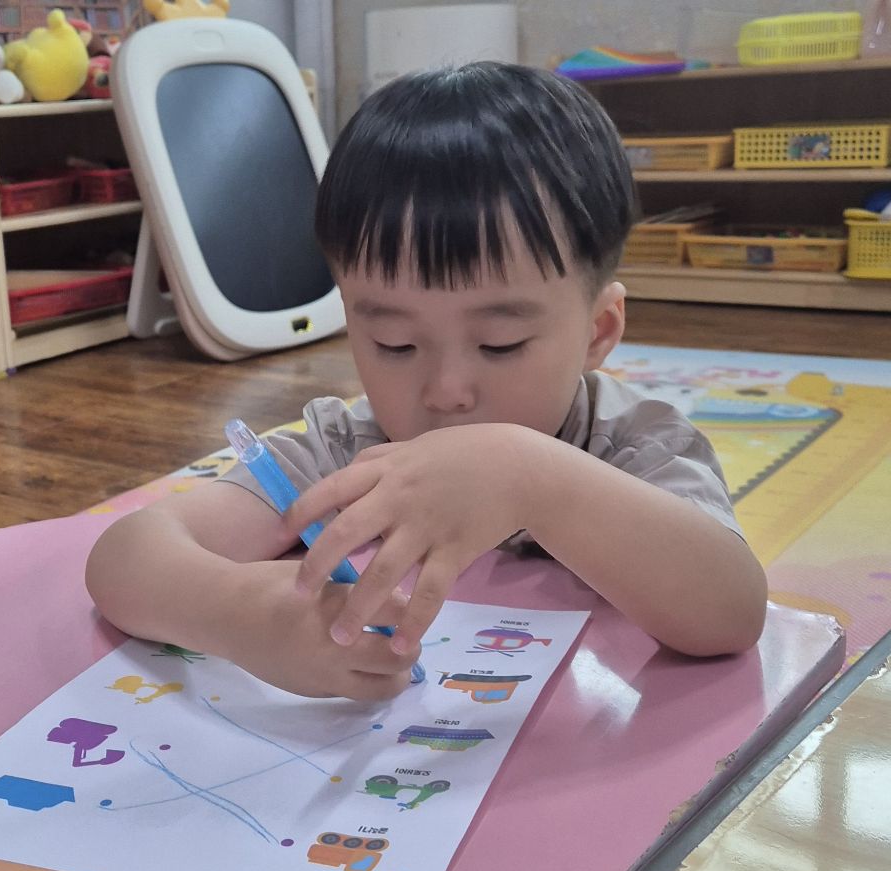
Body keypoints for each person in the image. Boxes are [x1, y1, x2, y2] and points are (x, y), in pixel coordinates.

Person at [86, 62, 768, 701]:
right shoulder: (350, 452)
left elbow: (729, 614)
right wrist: (246, 614)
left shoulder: (634, 445)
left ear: (597, 331)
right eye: (396, 343)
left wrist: (530, 475)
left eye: (499, 344)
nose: (446, 391)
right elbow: (127, 557)